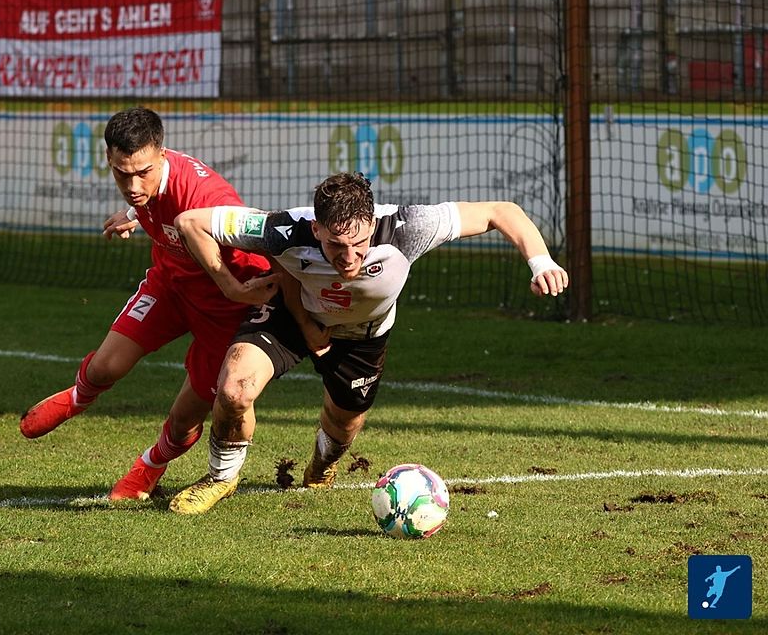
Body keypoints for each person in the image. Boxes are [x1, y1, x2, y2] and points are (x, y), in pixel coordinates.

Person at [168, 172, 569, 514]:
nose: (348, 257)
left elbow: (502, 211)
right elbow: (190, 222)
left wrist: (542, 262)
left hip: (363, 334)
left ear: (370, 222)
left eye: (358, 243)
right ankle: (220, 478)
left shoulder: (407, 226)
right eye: (335, 246)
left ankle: (321, 466)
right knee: (234, 389)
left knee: (345, 424)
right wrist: (232, 287)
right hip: (291, 316)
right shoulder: (283, 229)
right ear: (318, 228)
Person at [20, 107, 279, 500]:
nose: (134, 184)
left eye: (143, 173)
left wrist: (239, 289)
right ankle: (78, 398)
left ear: (162, 155)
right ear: (109, 159)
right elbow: (148, 200)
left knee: (182, 421)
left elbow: (261, 233)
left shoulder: (208, 195)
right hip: (171, 286)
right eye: (123, 174)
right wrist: (132, 214)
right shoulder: (140, 185)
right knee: (107, 364)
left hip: (227, 308)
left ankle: (151, 466)